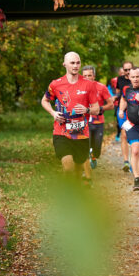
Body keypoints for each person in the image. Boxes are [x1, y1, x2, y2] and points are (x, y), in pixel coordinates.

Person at [41, 52, 99, 183]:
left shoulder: (88, 85)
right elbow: (44, 101)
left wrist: (87, 109)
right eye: (72, 63)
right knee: (68, 166)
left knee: (78, 171)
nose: (75, 65)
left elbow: (96, 109)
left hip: (81, 133)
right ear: (64, 64)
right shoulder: (56, 84)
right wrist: (53, 113)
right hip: (61, 132)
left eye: (78, 63)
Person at [82, 65, 114, 171]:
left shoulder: (101, 87)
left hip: (98, 122)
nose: (86, 78)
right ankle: (86, 169)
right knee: (85, 146)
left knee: (97, 149)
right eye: (84, 75)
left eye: (89, 75)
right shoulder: (79, 88)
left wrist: (99, 108)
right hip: (84, 122)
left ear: (94, 76)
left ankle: (94, 156)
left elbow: (111, 104)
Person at [116, 61, 133, 172]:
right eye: (125, 70)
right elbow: (118, 93)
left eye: (129, 69)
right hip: (122, 110)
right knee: (124, 134)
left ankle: (134, 160)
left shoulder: (138, 78)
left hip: (134, 111)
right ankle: (126, 161)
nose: (127, 72)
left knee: (133, 136)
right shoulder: (120, 80)